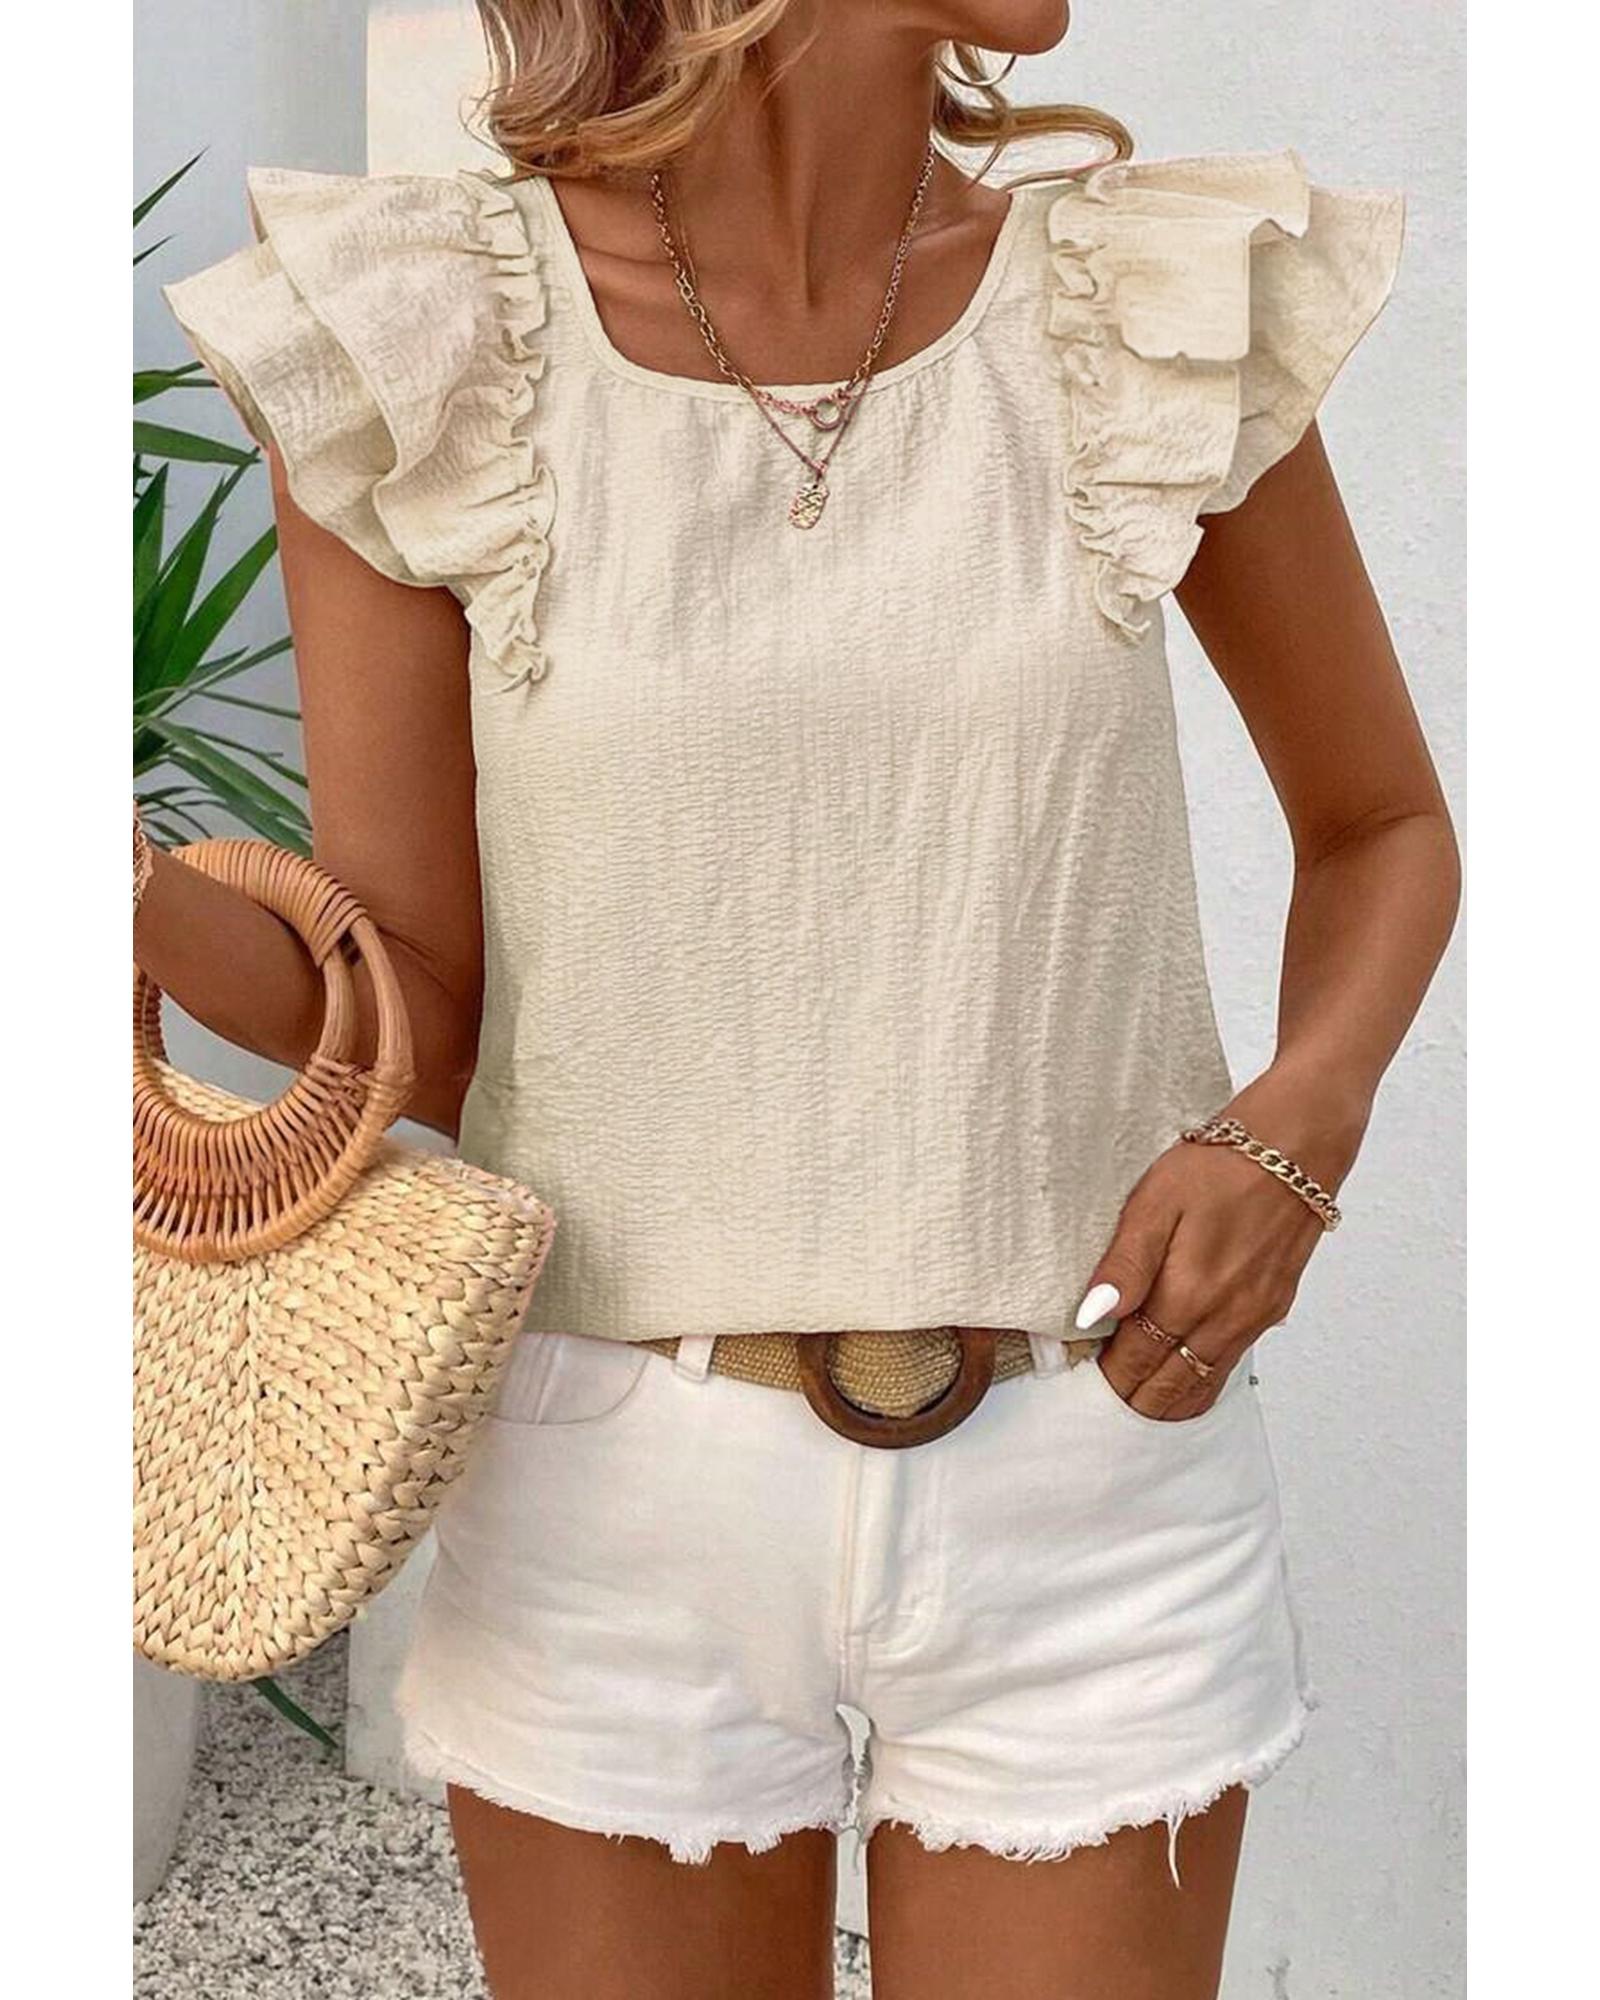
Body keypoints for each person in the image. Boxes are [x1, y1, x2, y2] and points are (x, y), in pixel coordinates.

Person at [139, 3, 1460, 1994]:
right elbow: (414, 1005)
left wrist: (1300, 1123)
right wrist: (119, 894)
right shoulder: (433, 336)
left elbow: (1380, 826)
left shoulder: (1140, 307)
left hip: (1092, 1461)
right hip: (609, 1488)